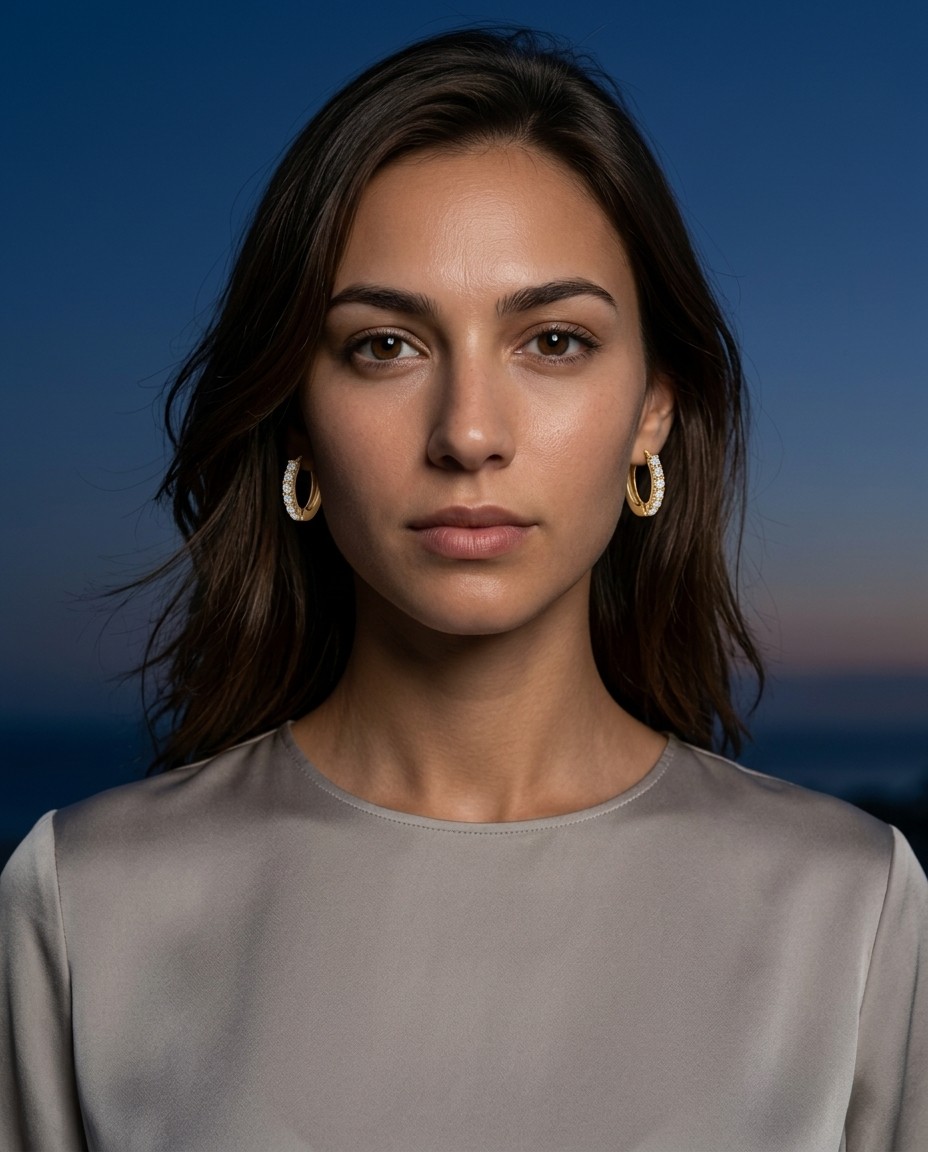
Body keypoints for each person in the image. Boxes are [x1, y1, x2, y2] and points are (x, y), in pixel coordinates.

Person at [1, 27, 925, 1152]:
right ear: (296, 415)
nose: (469, 434)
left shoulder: (854, 911)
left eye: (551, 340)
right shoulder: (87, 903)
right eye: (386, 344)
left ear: (654, 409)